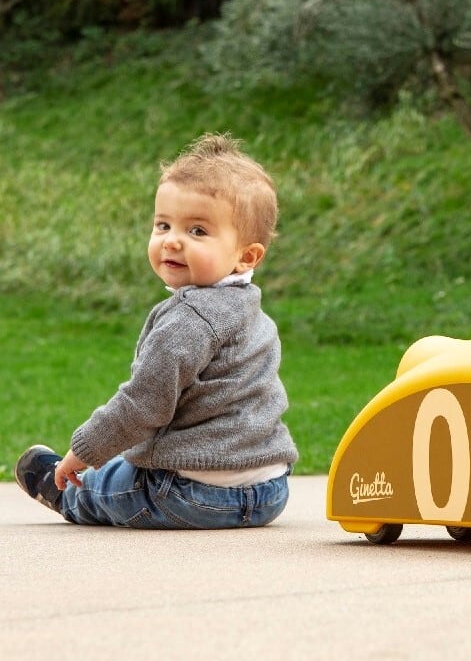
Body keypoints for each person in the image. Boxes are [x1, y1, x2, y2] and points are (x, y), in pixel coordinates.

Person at [15, 133, 298, 529]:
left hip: (192, 494)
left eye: (197, 231)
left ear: (246, 256)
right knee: (129, 459)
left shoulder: (189, 320)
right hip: (268, 490)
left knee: (112, 483)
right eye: (163, 225)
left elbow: (143, 406)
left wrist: (84, 450)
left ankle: (67, 494)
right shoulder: (252, 313)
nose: (172, 242)